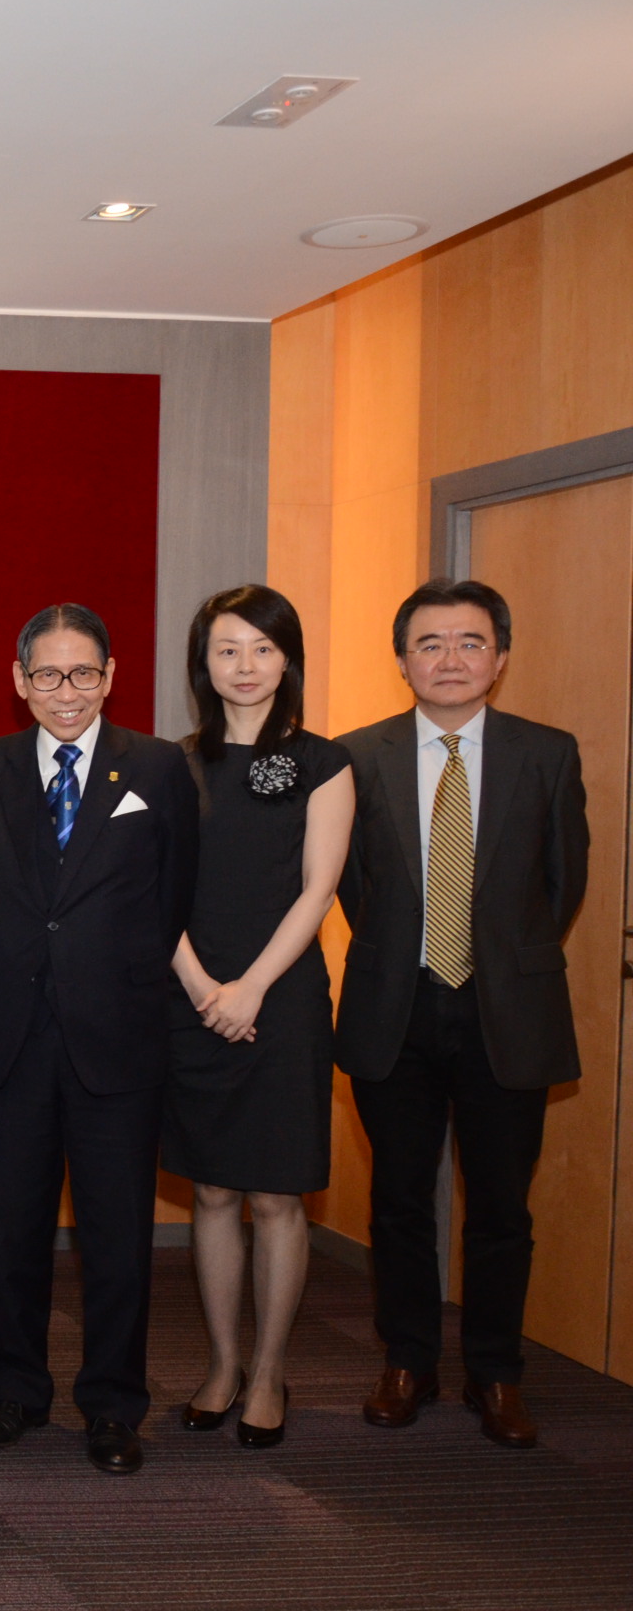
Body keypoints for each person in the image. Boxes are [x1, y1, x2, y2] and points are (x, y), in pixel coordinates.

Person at [336, 578, 587, 1450]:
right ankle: (407, 1362)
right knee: (399, 1202)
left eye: (471, 642)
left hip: (505, 1012)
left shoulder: (547, 753)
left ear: (501, 657)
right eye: (430, 643)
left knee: (501, 1209)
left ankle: (496, 1372)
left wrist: (496, 960)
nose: (450, 659)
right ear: (402, 659)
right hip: (395, 1008)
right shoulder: (355, 756)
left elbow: (562, 883)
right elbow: (353, 886)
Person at [0, 603, 198, 1474]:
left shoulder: (159, 767)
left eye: (85, 674)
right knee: (15, 1230)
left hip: (120, 1034)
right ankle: (16, 1393)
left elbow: (176, 893)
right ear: (20, 681)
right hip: (14, 1032)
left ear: (111, 676)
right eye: (49, 675)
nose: (68, 692)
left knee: (117, 1236)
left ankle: (112, 1405)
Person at [164, 586, 354, 1449]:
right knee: (211, 1190)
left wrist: (249, 990)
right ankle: (221, 1364)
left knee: (277, 1196)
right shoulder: (172, 764)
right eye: (227, 650)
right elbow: (155, 889)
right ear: (202, 664)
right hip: (191, 994)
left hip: (283, 1003)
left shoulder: (324, 762)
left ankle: (270, 1371)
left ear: (288, 660)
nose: (245, 667)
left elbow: (319, 890)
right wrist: (205, 986)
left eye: (263, 649)